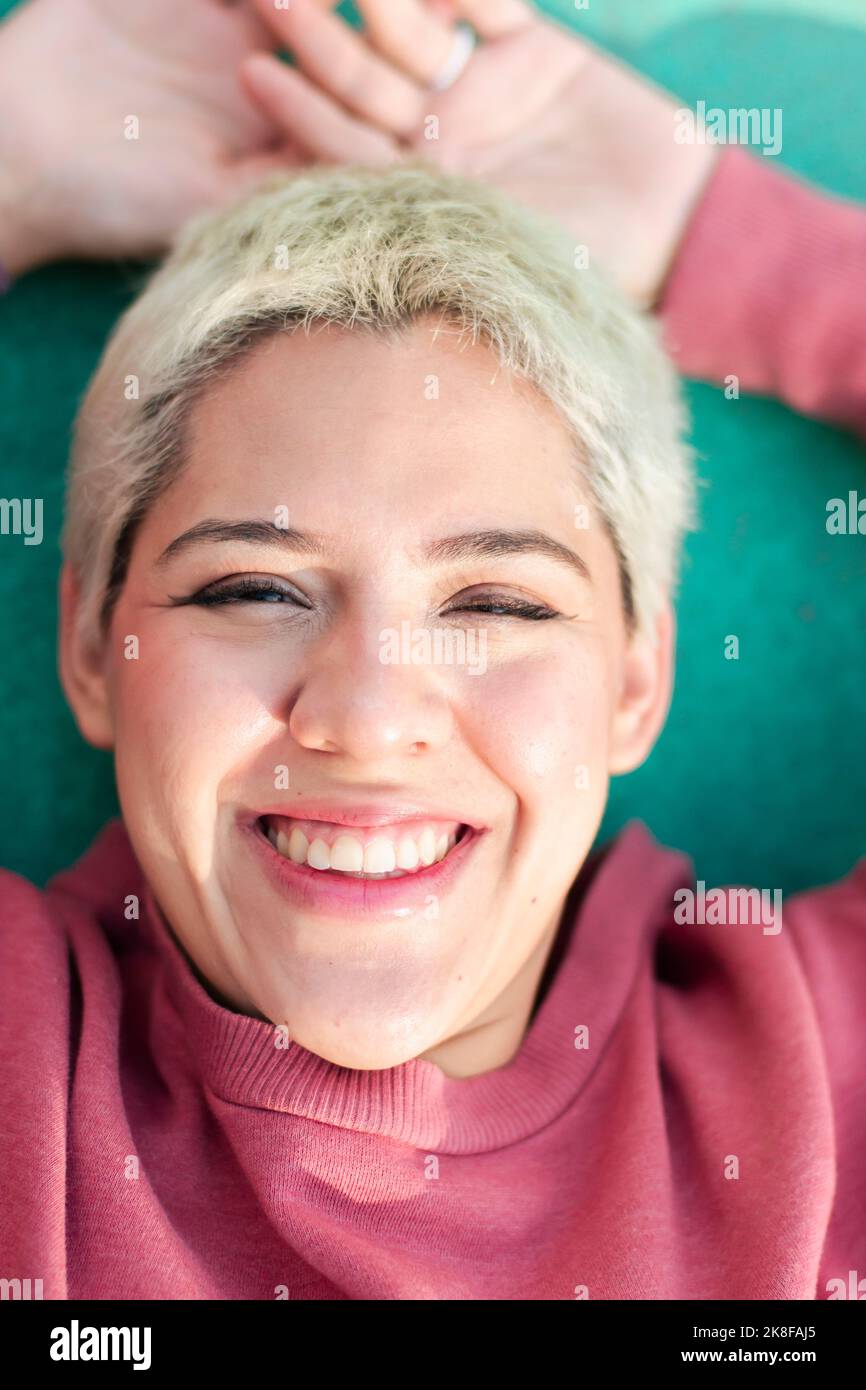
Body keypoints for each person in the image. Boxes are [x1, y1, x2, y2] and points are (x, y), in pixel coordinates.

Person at [0, 0, 864, 1302]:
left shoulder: (813, 1081)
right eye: (249, 586)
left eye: (497, 605)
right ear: (88, 646)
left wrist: (700, 223)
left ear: (635, 676)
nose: (364, 711)